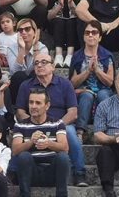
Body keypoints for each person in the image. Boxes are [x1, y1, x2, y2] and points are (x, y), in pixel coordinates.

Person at [15, 53, 86, 186]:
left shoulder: (65, 84)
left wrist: (55, 126)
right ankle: (12, 172)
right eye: (36, 63)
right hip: (33, 123)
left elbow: (73, 112)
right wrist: (32, 124)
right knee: (19, 133)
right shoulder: (26, 86)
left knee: (70, 132)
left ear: (53, 66)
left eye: (44, 62)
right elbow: (20, 112)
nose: (39, 65)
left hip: (59, 124)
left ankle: (79, 174)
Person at [12, 88, 70, 197]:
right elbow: (15, 150)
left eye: (38, 103)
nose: (33, 106)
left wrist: (49, 144)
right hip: (30, 172)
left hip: (51, 172)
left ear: (47, 106)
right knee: (23, 156)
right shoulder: (20, 125)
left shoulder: (57, 123)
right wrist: (31, 142)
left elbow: (65, 148)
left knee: (63, 157)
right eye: (31, 102)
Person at [69, 20, 114, 141]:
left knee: (103, 94)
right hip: (83, 91)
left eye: (94, 32)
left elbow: (110, 82)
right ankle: (80, 132)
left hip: (103, 89)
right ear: (83, 36)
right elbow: (72, 83)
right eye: (87, 33)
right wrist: (88, 71)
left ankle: (105, 129)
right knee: (87, 95)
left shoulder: (107, 55)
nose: (90, 35)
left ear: (99, 37)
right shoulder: (77, 56)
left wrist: (98, 71)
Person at [47, 0, 83, 67]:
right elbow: (49, 17)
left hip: (73, 24)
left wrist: (71, 4)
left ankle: (69, 55)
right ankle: (58, 55)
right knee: (59, 21)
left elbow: (80, 14)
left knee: (71, 22)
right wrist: (59, 5)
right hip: (56, 25)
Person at [5, 18, 48, 102]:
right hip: (17, 86)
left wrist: (35, 46)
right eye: (20, 30)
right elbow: (14, 72)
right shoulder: (11, 48)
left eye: (27, 29)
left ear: (34, 32)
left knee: (35, 74)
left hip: (36, 86)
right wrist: (21, 49)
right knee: (19, 75)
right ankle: (17, 108)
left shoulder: (42, 48)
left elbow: (40, 69)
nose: (23, 32)